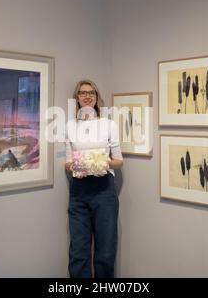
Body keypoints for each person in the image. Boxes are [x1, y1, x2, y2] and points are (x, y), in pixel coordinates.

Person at [65, 79, 123, 278]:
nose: (87, 96)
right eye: (82, 93)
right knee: (78, 253)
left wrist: (100, 162)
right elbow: (67, 162)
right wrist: (79, 164)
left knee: (105, 253)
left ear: (97, 98)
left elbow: (118, 161)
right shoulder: (70, 126)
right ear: (77, 98)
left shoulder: (109, 125)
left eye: (91, 93)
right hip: (78, 191)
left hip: (104, 191)